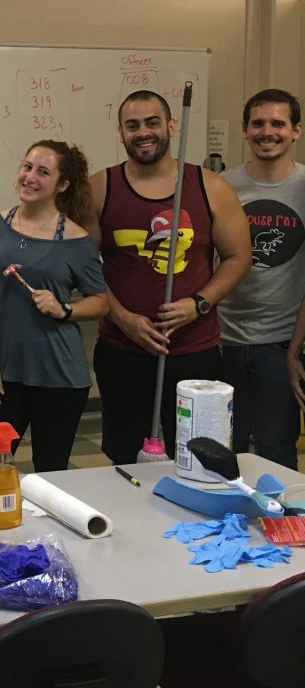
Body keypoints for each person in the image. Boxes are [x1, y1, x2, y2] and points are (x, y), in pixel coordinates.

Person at [88, 90, 251, 465]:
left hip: (194, 352)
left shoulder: (210, 186)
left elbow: (238, 257)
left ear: (171, 126)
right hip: (122, 350)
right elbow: (83, 268)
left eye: (152, 122)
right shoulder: (100, 188)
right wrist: (123, 318)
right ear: (121, 133)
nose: (143, 132)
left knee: (201, 458)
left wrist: (199, 303)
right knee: (124, 459)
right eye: (132, 125)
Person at [0, 141, 108, 476]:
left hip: (59, 378)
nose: (30, 177)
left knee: (51, 475)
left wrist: (65, 309)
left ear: (62, 185)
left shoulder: (77, 241)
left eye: (43, 172)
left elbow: (102, 301)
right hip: (3, 376)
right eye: (27, 166)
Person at [215, 90, 304, 471]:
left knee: (277, 454)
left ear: (296, 131)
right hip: (221, 340)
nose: (267, 132)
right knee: (221, 451)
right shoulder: (220, 186)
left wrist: (294, 351)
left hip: (280, 343)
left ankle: (284, 529)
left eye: (278, 123)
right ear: (245, 131)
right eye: (258, 123)